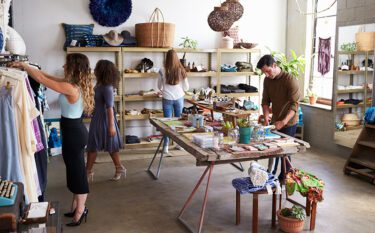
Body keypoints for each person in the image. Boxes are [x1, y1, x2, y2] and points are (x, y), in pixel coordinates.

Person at [11, 53, 94, 227]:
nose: (63, 67)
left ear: (73, 67)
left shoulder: (71, 88)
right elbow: (46, 75)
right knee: (73, 171)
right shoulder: (71, 84)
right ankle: (76, 206)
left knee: (78, 173)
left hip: (74, 134)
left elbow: (41, 78)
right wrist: (28, 68)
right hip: (72, 131)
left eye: (66, 64)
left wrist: (25, 67)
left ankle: (81, 210)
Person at [256, 54, 300, 181]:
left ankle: (285, 177)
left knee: (284, 151)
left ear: (274, 65)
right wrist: (266, 118)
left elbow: (294, 105)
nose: (267, 75)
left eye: (268, 71)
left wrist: (284, 121)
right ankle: (273, 175)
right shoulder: (267, 80)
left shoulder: (290, 79)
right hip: (275, 120)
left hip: (289, 121)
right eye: (264, 72)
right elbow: (265, 101)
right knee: (274, 149)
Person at [86, 60, 124, 181]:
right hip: (98, 117)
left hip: (105, 120)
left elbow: (109, 107)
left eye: (97, 68)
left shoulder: (107, 87)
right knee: (96, 145)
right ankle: (118, 168)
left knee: (105, 146)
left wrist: (112, 126)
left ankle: (88, 171)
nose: (94, 70)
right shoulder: (100, 85)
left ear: (102, 71)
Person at [158, 49, 189, 154]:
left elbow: (159, 86)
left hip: (166, 98)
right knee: (179, 122)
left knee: (167, 123)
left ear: (167, 58)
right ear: (177, 58)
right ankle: (179, 145)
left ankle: (165, 146)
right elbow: (186, 87)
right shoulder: (181, 70)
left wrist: (164, 90)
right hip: (179, 98)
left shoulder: (162, 70)